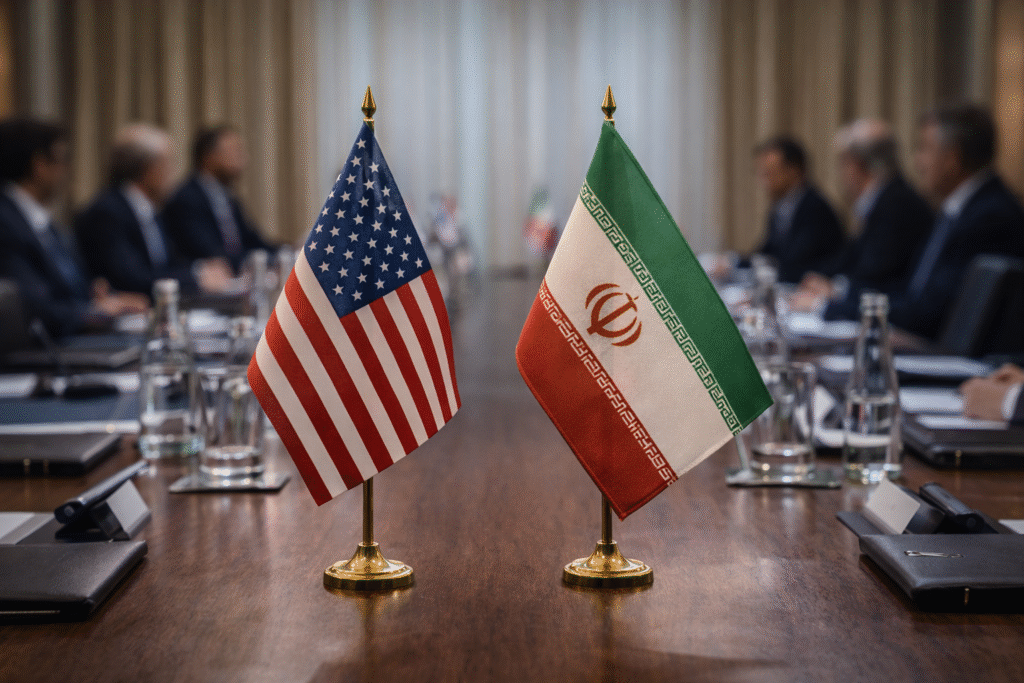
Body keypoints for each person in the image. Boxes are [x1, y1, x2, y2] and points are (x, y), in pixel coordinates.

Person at [827, 105, 1024, 339]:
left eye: (924, 149)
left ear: (952, 157)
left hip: (958, 366)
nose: (918, 163)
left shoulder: (989, 216)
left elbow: (929, 313)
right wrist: (845, 300)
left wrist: (838, 306)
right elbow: (912, 291)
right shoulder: (960, 209)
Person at [0, 118, 147, 338]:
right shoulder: (6, 222)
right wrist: (94, 312)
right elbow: (33, 307)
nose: (67, 171)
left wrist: (103, 298)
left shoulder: (37, 218)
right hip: (41, 354)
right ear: (39, 165)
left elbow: (71, 287)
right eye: (63, 160)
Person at [75, 123, 232, 296]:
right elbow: (131, 278)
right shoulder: (107, 212)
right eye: (168, 163)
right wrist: (195, 278)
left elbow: (168, 263)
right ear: (148, 168)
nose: (172, 171)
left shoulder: (148, 208)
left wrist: (200, 269)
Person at [794, 119, 933, 312]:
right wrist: (819, 280)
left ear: (855, 164)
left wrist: (835, 290)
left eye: (842, 163)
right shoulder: (885, 198)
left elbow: (879, 274)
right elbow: (851, 258)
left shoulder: (898, 203)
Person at [161, 125, 275, 274]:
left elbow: (253, 241)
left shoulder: (228, 197)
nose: (244, 158)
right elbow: (210, 253)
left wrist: (287, 252)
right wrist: (259, 261)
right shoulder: (186, 199)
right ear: (208, 156)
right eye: (235, 151)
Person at [749, 136, 846, 284]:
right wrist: (734, 262)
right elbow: (767, 253)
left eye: (769, 174)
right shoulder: (780, 206)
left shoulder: (815, 208)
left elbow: (793, 263)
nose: (763, 182)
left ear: (793, 171)